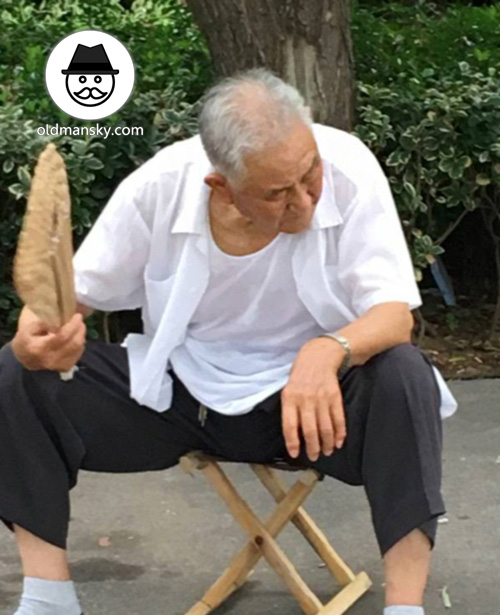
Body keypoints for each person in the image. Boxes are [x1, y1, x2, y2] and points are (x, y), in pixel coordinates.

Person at [0, 68, 458, 615]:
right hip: (181, 400)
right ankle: (48, 599)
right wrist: (38, 339)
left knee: (404, 373)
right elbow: (63, 300)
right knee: (17, 373)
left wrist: (325, 351)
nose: (304, 200)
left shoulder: (350, 166)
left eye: (309, 174)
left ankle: (405, 607)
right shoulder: (161, 187)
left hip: (315, 411)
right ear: (222, 186)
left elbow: (394, 314)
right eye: (277, 193)